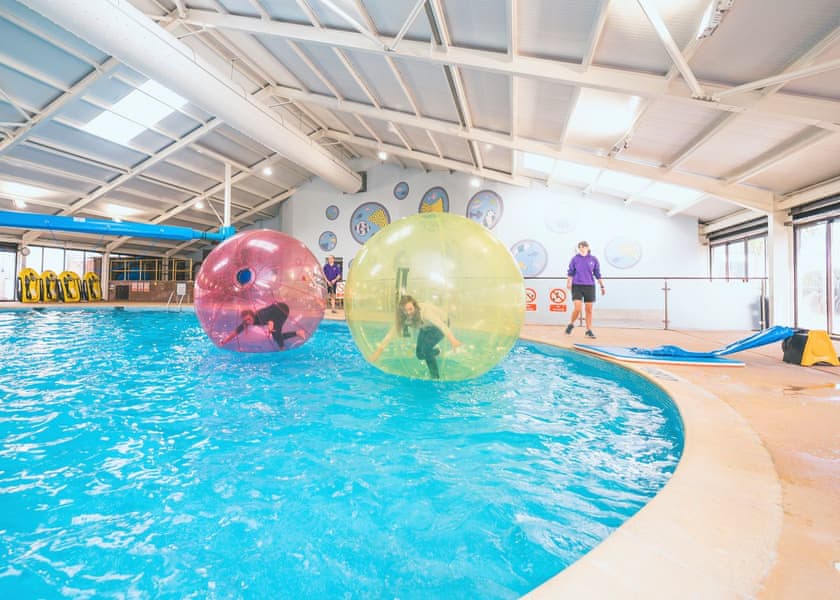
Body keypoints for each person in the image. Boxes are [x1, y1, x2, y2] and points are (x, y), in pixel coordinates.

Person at [370, 295, 462, 379]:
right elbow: (391, 334)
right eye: (405, 310)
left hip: (442, 322)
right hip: (425, 326)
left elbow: (441, 325)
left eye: (410, 309)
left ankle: (435, 378)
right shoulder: (404, 317)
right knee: (419, 354)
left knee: (426, 349)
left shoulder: (425, 313)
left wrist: (452, 340)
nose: (408, 313)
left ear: (415, 307)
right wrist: (378, 352)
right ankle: (435, 352)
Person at [221, 302, 306, 349]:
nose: (247, 322)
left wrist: (270, 328)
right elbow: (236, 332)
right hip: (273, 311)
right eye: (245, 320)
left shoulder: (261, 316)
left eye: (249, 319)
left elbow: (270, 322)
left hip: (281, 309)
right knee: (276, 336)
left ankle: (282, 349)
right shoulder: (247, 321)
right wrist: (225, 341)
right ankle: (298, 332)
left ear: (252, 316)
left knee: (276, 334)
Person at [565, 241, 605, 339]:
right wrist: (569, 282)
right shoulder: (575, 259)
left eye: (583, 247)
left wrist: (602, 286)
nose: (582, 248)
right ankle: (571, 324)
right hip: (577, 285)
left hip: (590, 286)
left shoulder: (593, 259)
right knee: (578, 308)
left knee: (589, 310)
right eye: (580, 247)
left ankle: (588, 330)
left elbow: (597, 273)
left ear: (587, 247)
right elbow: (570, 272)